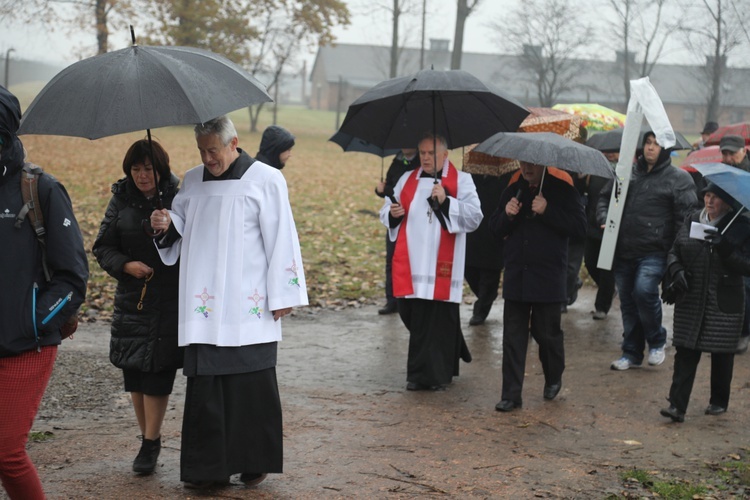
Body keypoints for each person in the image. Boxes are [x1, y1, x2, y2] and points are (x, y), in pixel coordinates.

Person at [150, 115, 308, 489]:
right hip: (203, 301)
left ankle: (253, 461)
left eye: (213, 150)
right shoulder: (190, 180)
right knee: (206, 387)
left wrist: (283, 293)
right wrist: (164, 224)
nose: (207, 158)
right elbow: (181, 228)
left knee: (250, 383)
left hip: (247, 300)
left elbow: (282, 236)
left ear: (233, 142)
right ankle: (207, 470)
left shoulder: (267, 179)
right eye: (202, 151)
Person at [0, 85, 89, 499]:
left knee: (6, 453)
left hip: (25, 345)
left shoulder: (41, 190)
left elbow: (72, 278)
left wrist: (35, 320)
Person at [92, 139, 182, 474]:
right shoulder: (121, 199)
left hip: (168, 298)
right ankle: (148, 438)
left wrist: (169, 227)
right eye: (136, 169)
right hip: (133, 298)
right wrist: (126, 266)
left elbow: (194, 240)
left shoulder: (179, 197)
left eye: (148, 169)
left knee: (157, 372)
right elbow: (103, 246)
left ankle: (150, 441)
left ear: (161, 169)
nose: (142, 176)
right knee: (134, 372)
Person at [380, 133, 482, 391]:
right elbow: (386, 210)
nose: (425, 158)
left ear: (445, 155)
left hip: (441, 265)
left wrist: (447, 201)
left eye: (431, 154)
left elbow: (474, 217)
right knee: (409, 312)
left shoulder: (462, 181)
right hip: (412, 261)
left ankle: (426, 376)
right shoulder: (406, 179)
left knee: (433, 318)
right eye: (422, 153)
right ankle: (452, 346)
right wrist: (393, 213)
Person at [490, 162, 587, 412]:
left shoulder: (564, 190)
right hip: (517, 276)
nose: (527, 168)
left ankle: (553, 376)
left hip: (548, 277)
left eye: (532, 163)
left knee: (547, 335)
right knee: (513, 337)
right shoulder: (512, 191)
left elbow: (579, 228)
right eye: (523, 163)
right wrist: (507, 215)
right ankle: (511, 395)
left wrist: (548, 210)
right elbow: (494, 229)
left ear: (543, 163)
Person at [598, 131, 697, 371]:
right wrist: (605, 218)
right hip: (623, 249)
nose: (650, 148)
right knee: (629, 303)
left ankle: (656, 340)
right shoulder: (626, 173)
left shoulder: (678, 179)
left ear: (664, 149)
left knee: (644, 291)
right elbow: (604, 199)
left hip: (655, 251)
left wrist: (677, 256)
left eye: (656, 144)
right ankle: (631, 352)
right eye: (647, 143)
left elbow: (685, 219)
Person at [659, 182, 750, 422]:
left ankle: (719, 401)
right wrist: (676, 269)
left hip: (724, 300)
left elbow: (747, 266)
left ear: (728, 203)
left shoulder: (740, 226)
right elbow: (674, 250)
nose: (709, 201)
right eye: (707, 196)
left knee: (722, 353)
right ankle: (677, 406)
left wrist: (726, 248)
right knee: (686, 350)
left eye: (715, 197)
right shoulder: (691, 220)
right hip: (691, 296)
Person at [374, 149, 420, 315]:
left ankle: (409, 297)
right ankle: (391, 300)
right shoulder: (397, 161)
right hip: (394, 218)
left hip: (414, 220)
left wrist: (387, 191)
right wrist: (380, 190)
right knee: (391, 260)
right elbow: (391, 189)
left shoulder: (421, 163)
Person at [464, 172, 509, 326]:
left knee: (490, 274)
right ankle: (486, 296)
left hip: (494, 231)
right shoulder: (471, 175)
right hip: (473, 232)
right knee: (470, 271)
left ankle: (481, 309)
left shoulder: (505, 176)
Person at [719, 134, 750, 353]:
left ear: (744, 152)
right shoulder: (720, 174)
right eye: (725, 153)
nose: (728, 157)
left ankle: (744, 332)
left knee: (745, 286)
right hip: (727, 231)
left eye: (732, 153)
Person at [583, 150, 618, 320]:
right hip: (592, 225)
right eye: (607, 152)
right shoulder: (593, 172)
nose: (610, 154)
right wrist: (581, 179)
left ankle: (602, 306)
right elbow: (582, 192)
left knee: (606, 269)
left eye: (614, 152)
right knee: (590, 262)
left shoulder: (623, 173)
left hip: (610, 227)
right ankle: (610, 290)